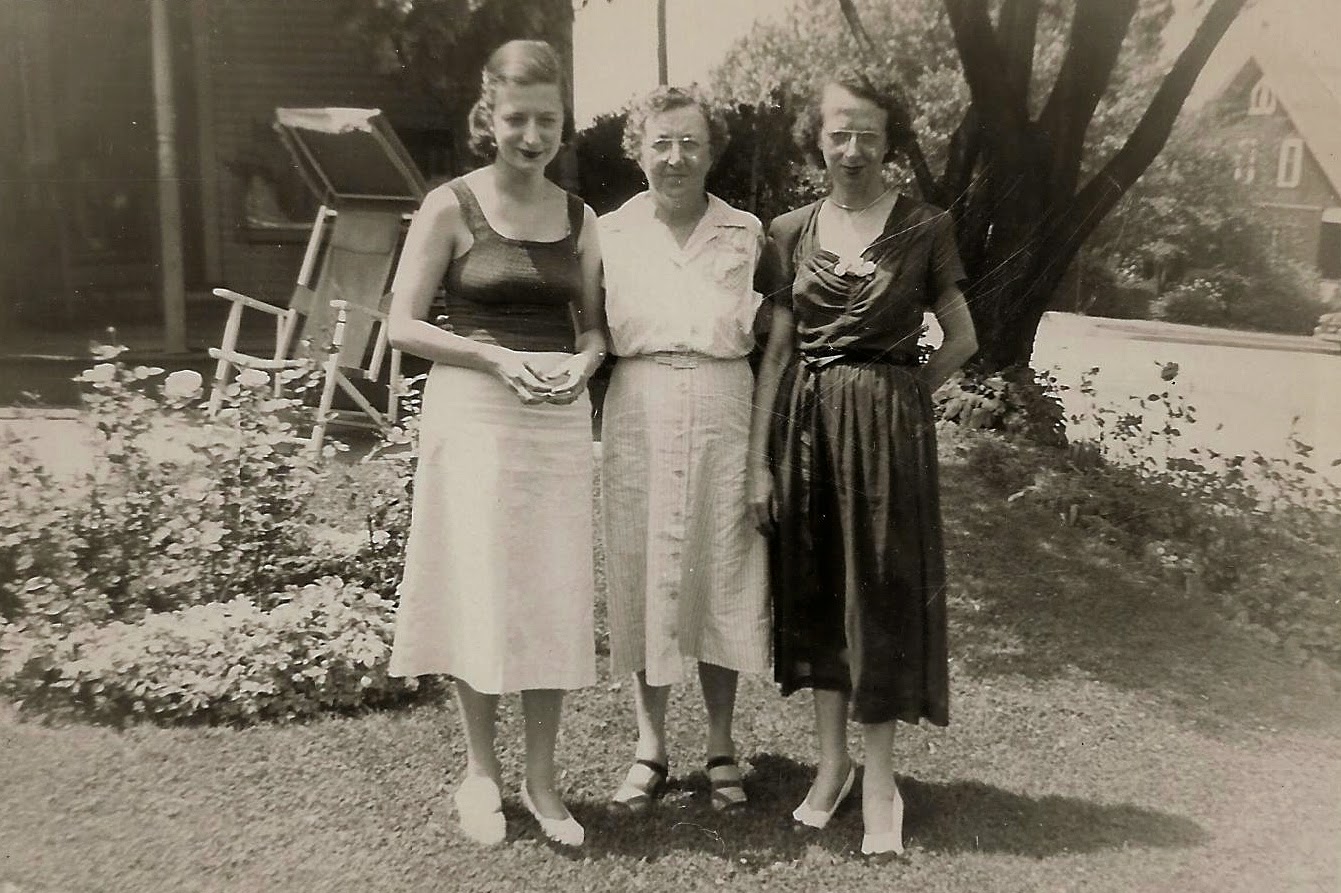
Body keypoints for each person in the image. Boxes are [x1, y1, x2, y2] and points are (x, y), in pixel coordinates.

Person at [747, 71, 978, 857]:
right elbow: (776, 352)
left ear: (889, 141)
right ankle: (831, 764)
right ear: (817, 139)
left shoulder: (925, 226)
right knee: (816, 590)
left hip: (885, 438)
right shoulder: (788, 231)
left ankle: (880, 780)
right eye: (838, 133)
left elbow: (962, 338)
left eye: (868, 135)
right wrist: (759, 462)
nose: (852, 149)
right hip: (807, 429)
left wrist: (904, 394)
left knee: (876, 594)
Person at [385, 40, 606, 849]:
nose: (531, 135)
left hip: (553, 418)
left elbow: (596, 328)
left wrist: (584, 364)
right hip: (474, 412)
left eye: (546, 119)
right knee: (476, 583)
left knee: (551, 590)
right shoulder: (449, 205)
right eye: (516, 118)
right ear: (490, 115)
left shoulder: (580, 217)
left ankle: (541, 780)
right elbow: (401, 325)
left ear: (562, 121)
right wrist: (493, 357)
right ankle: (479, 773)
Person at [598, 86, 770, 813]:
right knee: (645, 570)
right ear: (638, 150)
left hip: (723, 402)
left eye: (689, 143)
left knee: (721, 571)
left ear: (711, 152)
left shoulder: (745, 232)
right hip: (638, 403)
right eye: (661, 143)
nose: (675, 158)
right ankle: (650, 748)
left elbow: (774, 336)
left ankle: (721, 746)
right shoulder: (606, 232)